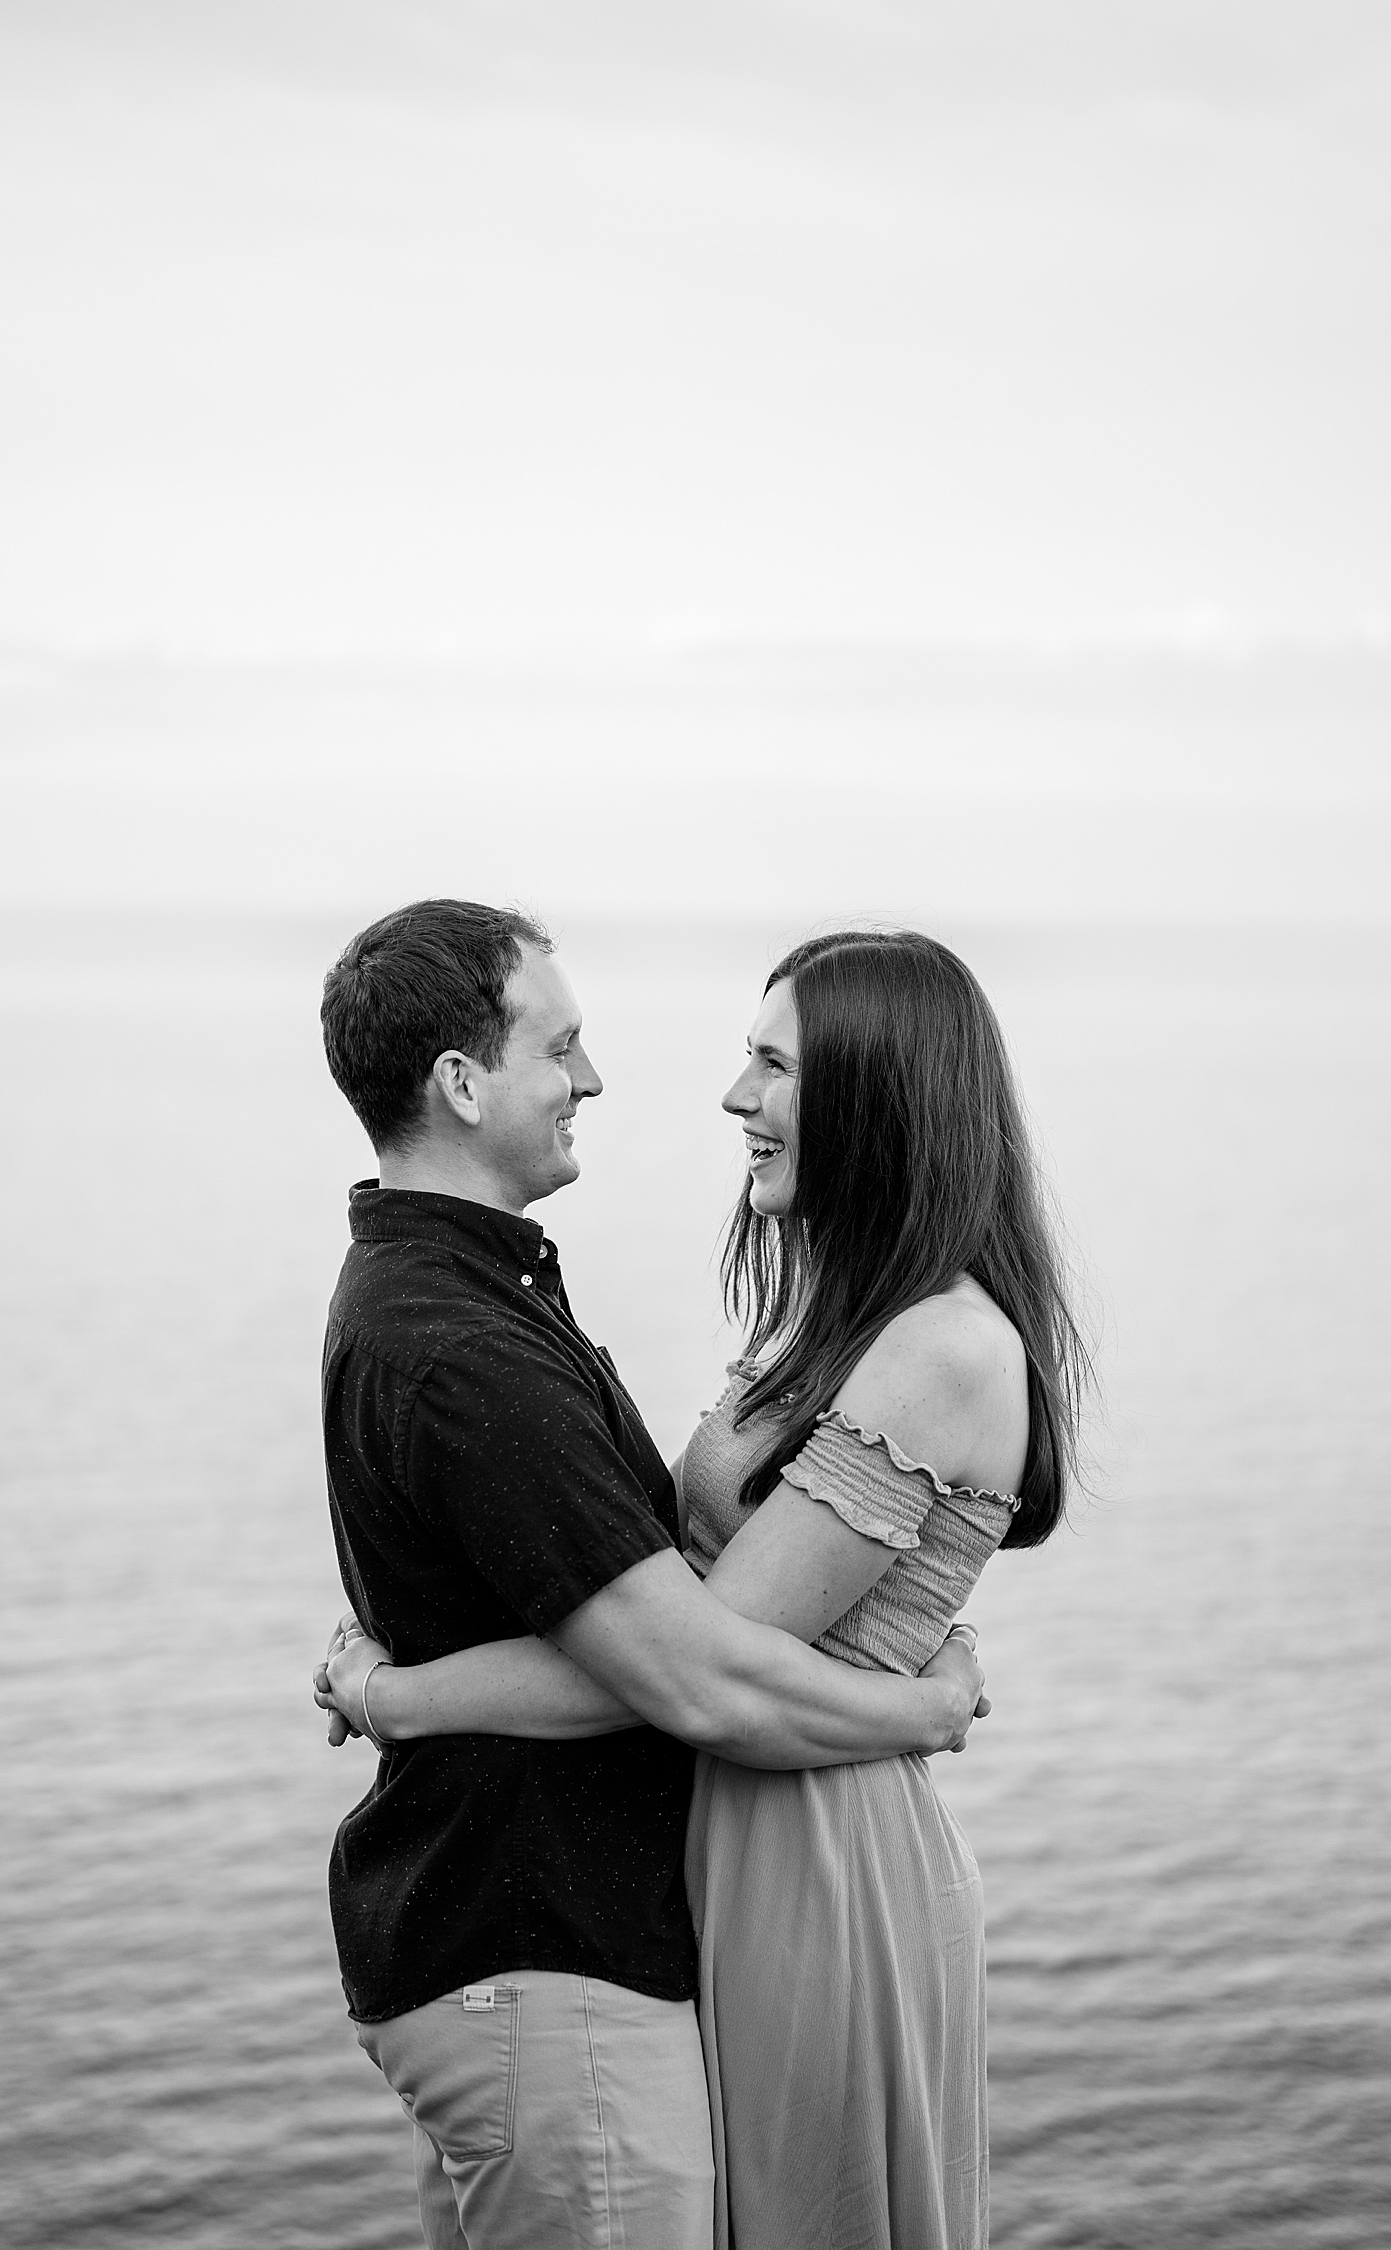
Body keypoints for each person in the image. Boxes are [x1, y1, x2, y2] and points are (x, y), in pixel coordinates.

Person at [321, 924, 1087, 2250]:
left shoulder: (943, 1348)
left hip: (823, 1856)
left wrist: (397, 1693)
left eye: (774, 1064)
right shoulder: (825, 1329)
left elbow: (691, 1664)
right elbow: (662, 1604)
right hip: (723, 1839)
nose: (736, 1094)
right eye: (750, 1057)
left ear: (880, 1090)